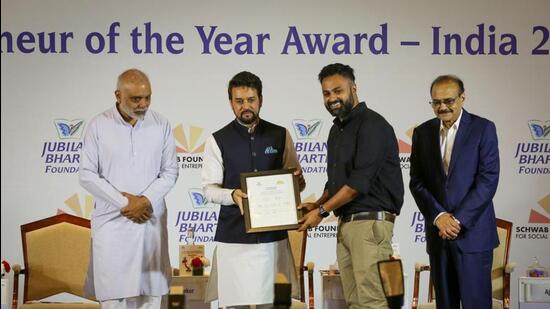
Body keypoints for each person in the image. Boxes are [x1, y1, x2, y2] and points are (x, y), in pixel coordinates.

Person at [298, 63, 404, 309]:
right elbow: (337, 183)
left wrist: (322, 212)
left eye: (338, 91)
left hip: (369, 226)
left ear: (353, 89)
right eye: (326, 93)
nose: (332, 98)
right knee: (355, 302)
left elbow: (358, 183)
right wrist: (317, 203)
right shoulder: (337, 130)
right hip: (347, 224)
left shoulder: (373, 125)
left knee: (372, 301)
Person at [201, 71, 305, 308]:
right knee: (235, 304)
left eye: (250, 100)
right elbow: (209, 189)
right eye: (239, 101)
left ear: (260, 100)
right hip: (234, 239)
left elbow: (297, 181)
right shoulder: (217, 139)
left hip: (272, 238)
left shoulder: (280, 135)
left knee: (275, 303)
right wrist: (232, 195)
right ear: (230, 103)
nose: (245, 106)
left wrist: (297, 182)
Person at [79, 69, 178, 309]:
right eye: (136, 99)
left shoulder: (161, 123)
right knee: (114, 297)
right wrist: (126, 204)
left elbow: (170, 172)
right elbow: (87, 175)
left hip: (150, 220)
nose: (143, 104)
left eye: (147, 98)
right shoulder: (98, 125)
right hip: (113, 224)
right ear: (118, 95)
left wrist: (144, 200)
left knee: (151, 296)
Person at [409, 75, 500, 309]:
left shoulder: (483, 128)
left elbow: (488, 180)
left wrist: (457, 220)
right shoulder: (422, 132)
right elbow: (417, 182)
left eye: (448, 100)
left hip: (473, 235)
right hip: (439, 237)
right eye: (436, 102)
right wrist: (440, 217)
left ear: (462, 97)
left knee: (476, 304)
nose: (442, 107)